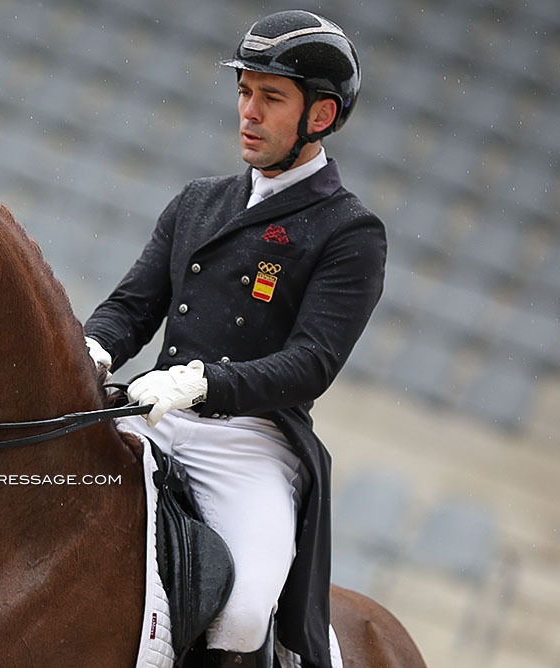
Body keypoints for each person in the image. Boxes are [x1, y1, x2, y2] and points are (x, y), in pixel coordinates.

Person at [83, 10, 386, 668]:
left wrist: (203, 383)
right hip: (152, 414)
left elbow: (312, 363)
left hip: (249, 442)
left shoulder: (348, 232)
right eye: (244, 92)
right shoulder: (198, 200)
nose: (248, 112)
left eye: (270, 98)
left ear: (322, 116)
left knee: (246, 607)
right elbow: (133, 306)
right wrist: (94, 349)